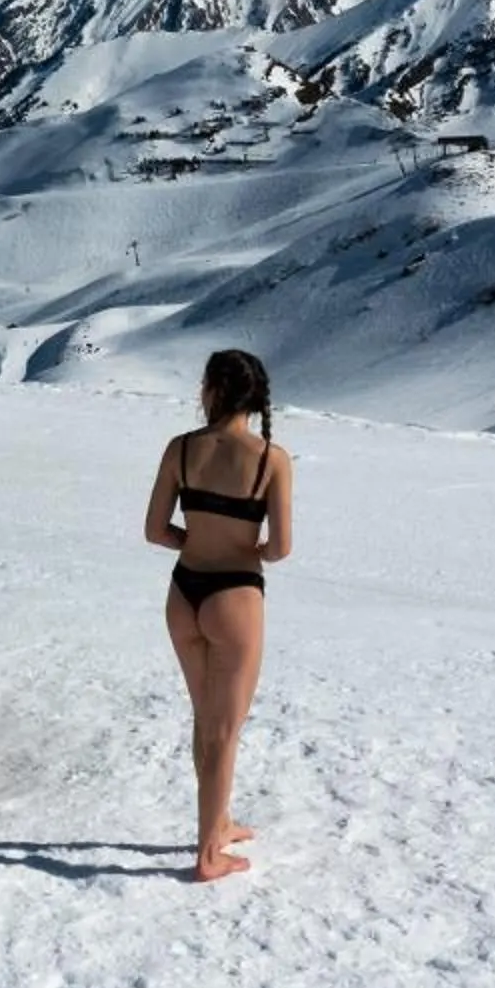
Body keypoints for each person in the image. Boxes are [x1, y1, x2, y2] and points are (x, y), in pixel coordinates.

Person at [143, 348, 293, 883]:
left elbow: (156, 530)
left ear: (212, 389)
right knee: (224, 729)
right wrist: (242, 548)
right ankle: (210, 854)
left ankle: (219, 819)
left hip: (184, 593)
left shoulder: (180, 449)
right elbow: (280, 548)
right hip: (235, 596)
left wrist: (198, 539)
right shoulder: (270, 458)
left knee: (205, 719)